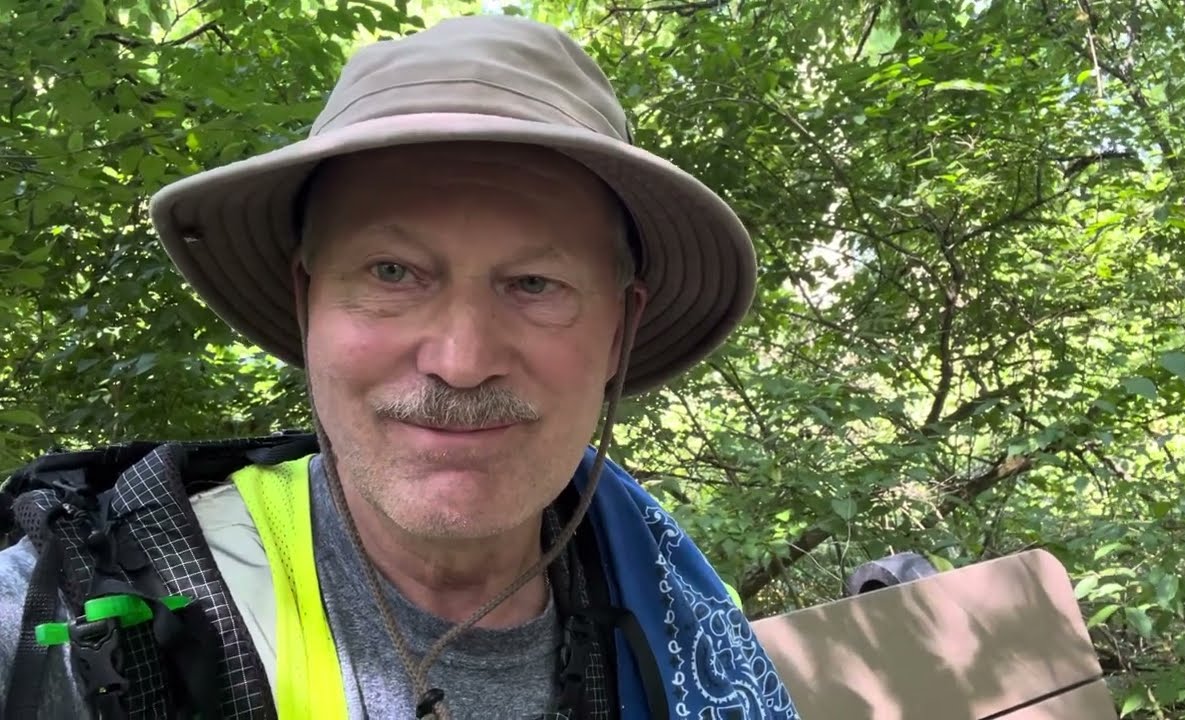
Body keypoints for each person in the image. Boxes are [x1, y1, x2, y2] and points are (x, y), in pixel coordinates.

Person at [0, 13, 798, 720]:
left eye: (534, 284)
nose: (461, 362)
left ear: (620, 330)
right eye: (392, 273)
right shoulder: (82, 611)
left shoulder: (684, 618)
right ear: (308, 301)